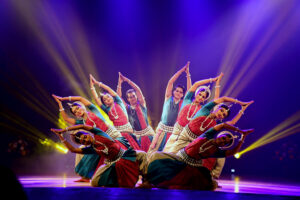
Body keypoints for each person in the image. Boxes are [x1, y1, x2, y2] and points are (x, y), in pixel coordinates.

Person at [142, 123, 254, 190]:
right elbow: (223, 125)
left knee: (176, 179)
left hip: (189, 165)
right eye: (224, 138)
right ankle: (147, 179)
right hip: (179, 157)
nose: (223, 141)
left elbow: (233, 152)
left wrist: (242, 138)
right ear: (220, 135)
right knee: (156, 156)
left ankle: (152, 182)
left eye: (225, 142)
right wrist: (239, 131)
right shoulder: (207, 135)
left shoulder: (216, 151)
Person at [52, 94, 124, 182]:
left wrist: (63, 98)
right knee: (82, 150)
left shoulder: (94, 110)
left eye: (77, 108)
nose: (77, 111)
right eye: (75, 112)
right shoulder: (81, 121)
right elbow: (66, 119)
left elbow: (81, 98)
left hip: (112, 135)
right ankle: (85, 176)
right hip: (100, 140)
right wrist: (60, 104)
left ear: (82, 106)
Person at [51, 124, 147, 188]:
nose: (86, 140)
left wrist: (64, 130)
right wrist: (61, 137)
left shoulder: (99, 133)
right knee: (94, 182)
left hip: (124, 155)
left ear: (88, 134)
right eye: (83, 141)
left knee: (142, 155)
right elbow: (73, 150)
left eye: (85, 137)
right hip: (112, 163)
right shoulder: (91, 149)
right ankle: (116, 181)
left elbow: (83, 126)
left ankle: (146, 181)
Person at [168, 96, 253, 154]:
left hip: (194, 144)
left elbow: (233, 122)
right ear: (217, 108)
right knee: (170, 156)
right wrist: (239, 102)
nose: (221, 114)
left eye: (224, 115)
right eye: (221, 111)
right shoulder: (205, 110)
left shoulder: (217, 124)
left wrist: (242, 110)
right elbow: (223, 99)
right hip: (183, 137)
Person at [164, 73, 223, 152]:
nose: (201, 97)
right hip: (174, 134)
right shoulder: (187, 100)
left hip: (186, 139)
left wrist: (217, 84)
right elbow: (196, 84)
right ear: (196, 94)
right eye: (200, 94)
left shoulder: (203, 110)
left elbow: (216, 100)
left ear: (205, 100)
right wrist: (212, 80)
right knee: (164, 155)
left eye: (203, 97)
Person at [148, 62, 192, 153]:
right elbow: (170, 82)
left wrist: (188, 74)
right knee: (153, 151)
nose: (178, 93)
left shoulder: (184, 103)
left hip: (173, 133)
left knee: (166, 154)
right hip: (161, 131)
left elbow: (190, 90)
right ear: (173, 91)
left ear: (183, 95)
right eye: (177, 91)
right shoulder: (168, 98)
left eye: (180, 92)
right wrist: (181, 71)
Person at [90, 75, 141, 150]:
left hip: (129, 132)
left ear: (112, 96)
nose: (107, 99)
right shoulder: (106, 109)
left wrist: (98, 83)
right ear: (105, 103)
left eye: (108, 96)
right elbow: (96, 99)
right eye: (104, 100)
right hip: (118, 135)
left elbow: (109, 89)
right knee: (125, 152)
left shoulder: (118, 102)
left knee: (136, 150)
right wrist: (92, 87)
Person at [117, 72, 155, 152]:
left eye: (134, 96)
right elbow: (118, 98)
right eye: (130, 97)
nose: (132, 98)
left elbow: (138, 89)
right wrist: (119, 83)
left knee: (154, 154)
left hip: (149, 134)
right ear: (128, 99)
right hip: (137, 137)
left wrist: (127, 80)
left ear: (136, 96)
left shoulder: (141, 103)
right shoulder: (127, 108)